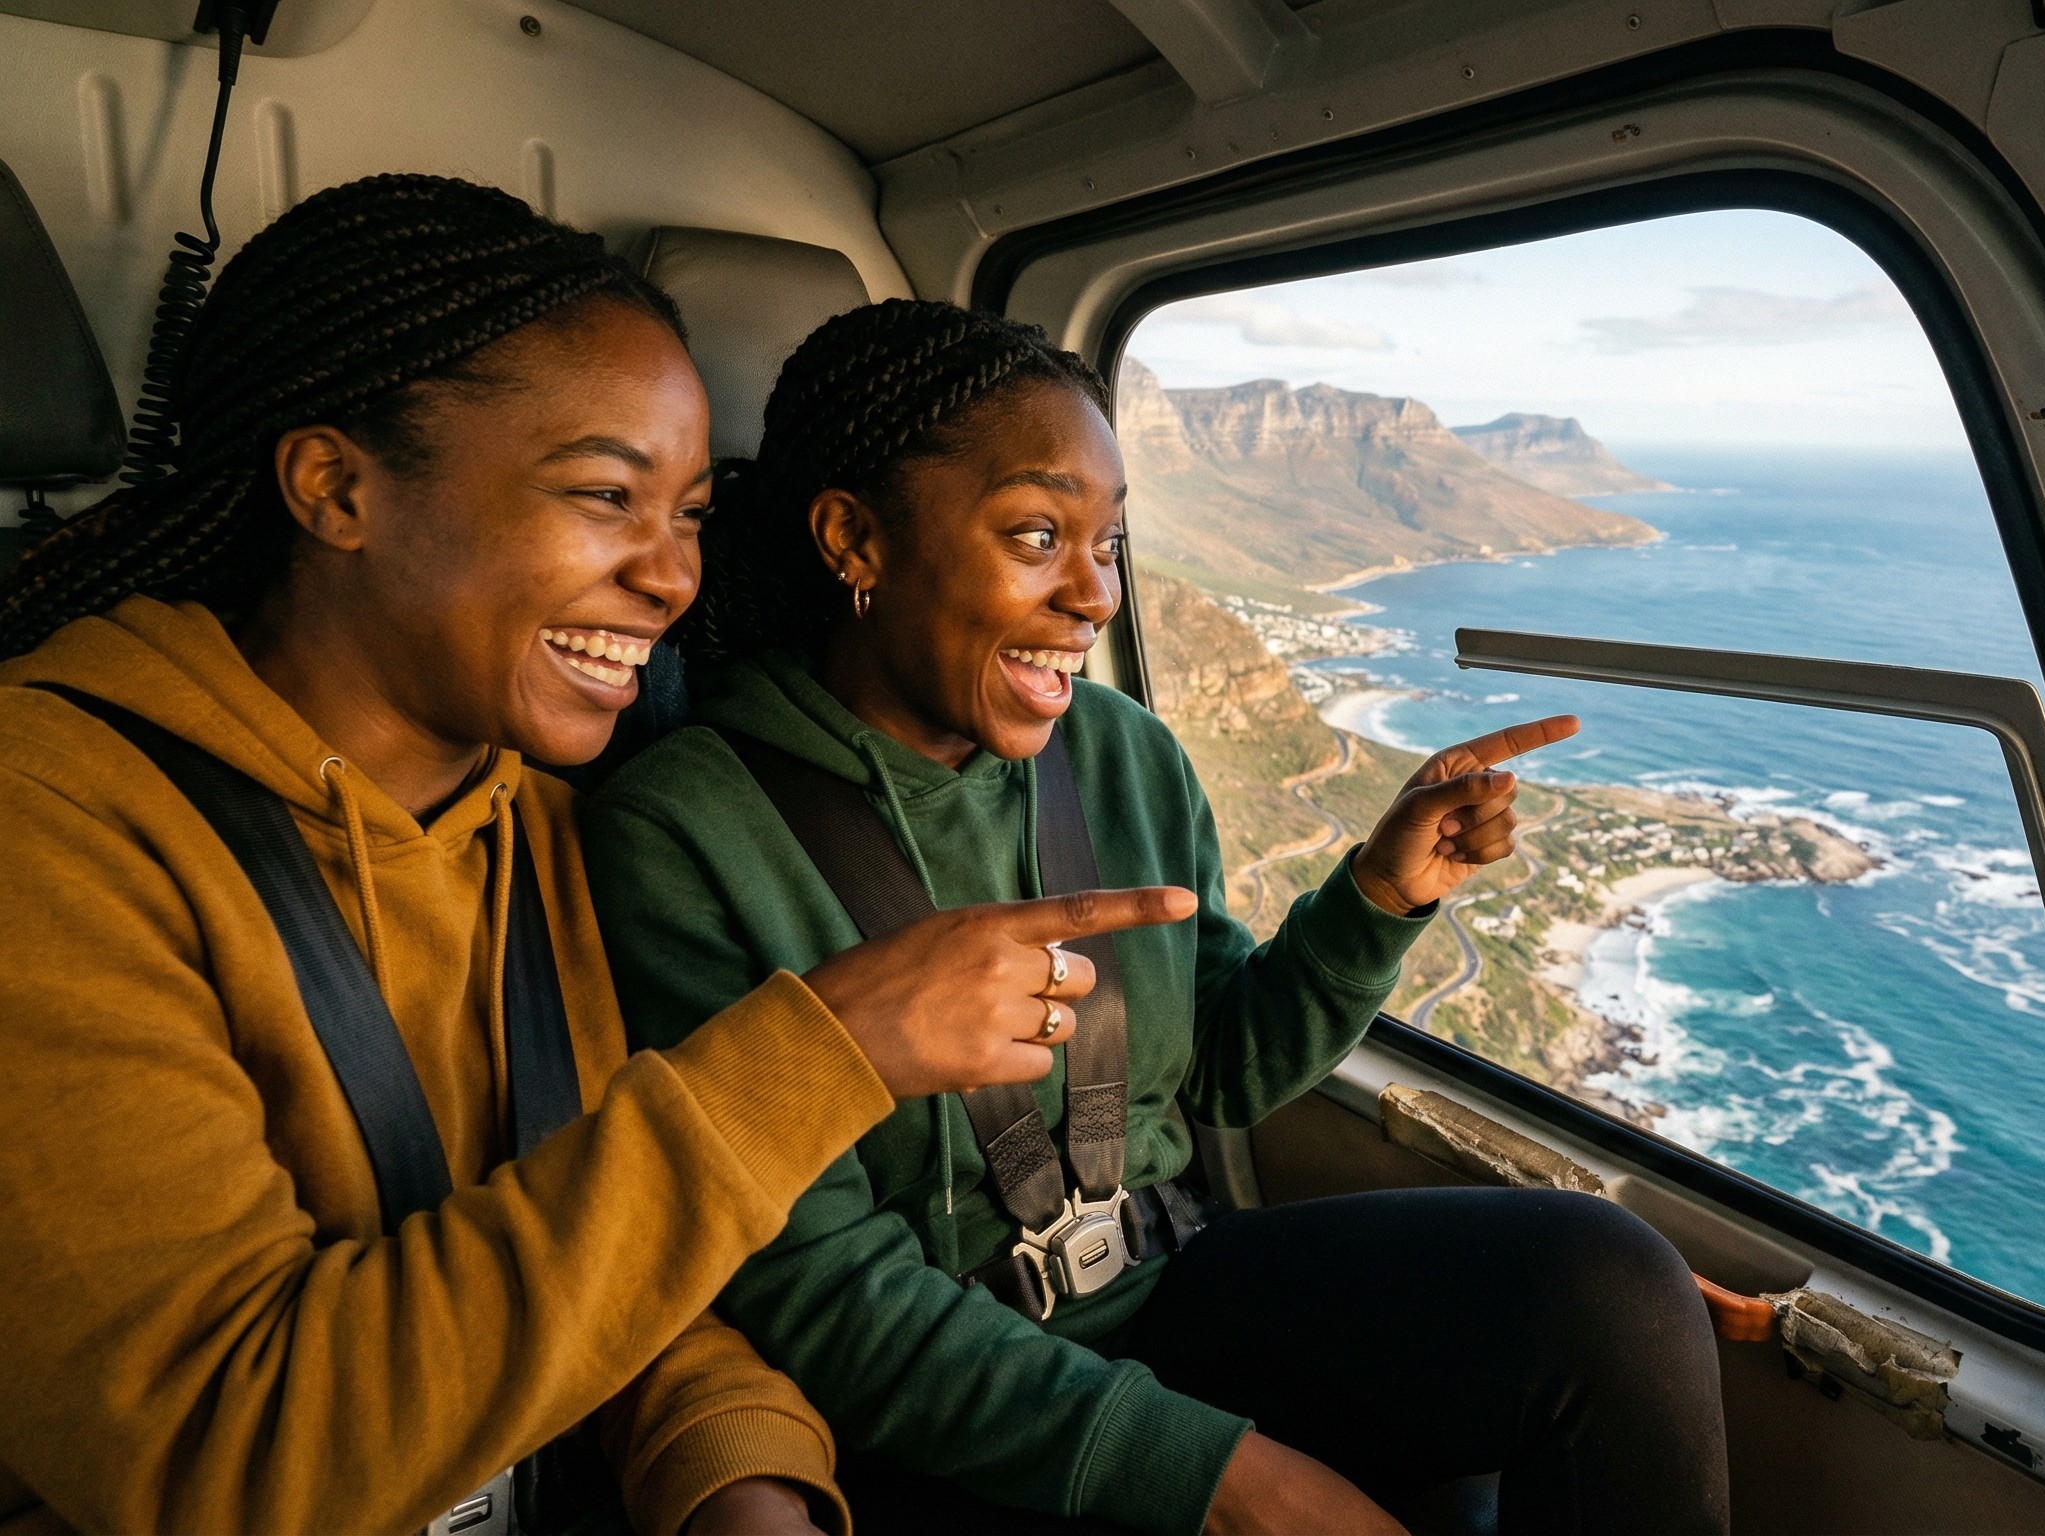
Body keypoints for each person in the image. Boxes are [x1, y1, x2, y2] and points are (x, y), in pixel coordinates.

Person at [0, 177, 1192, 1536]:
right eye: (606, 496)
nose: (672, 579)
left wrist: (741, 1482)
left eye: (686, 514)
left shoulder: (540, 829)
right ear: (338, 488)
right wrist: (828, 1049)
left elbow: (619, 1270)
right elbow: (225, 1455)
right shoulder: (51, 828)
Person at [581, 298, 1730, 1535]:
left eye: (1108, 544)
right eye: (1037, 536)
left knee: (1605, 1285)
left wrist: (1380, 898)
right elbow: (816, 1287)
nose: (1094, 595)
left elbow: (1224, 1068)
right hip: (942, 1404)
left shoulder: (1121, 756)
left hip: (1174, 1289)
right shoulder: (681, 831)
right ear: (853, 540)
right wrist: (1228, 1483)